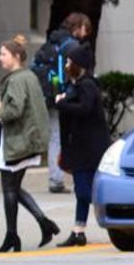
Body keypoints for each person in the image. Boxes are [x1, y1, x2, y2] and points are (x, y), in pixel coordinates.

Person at [0, 36, 60, 252]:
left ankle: (13, 236)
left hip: (18, 142)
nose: (0, 58)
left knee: (9, 190)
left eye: (3, 54)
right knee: (13, 188)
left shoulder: (17, 80)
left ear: (16, 56)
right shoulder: (28, 76)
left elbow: (15, 110)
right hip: (27, 141)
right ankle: (44, 224)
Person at [53, 44, 109, 248]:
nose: (67, 65)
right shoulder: (76, 85)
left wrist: (61, 103)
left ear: (78, 65)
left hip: (88, 149)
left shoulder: (87, 85)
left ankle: (110, 211)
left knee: (83, 191)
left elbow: (84, 109)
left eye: (69, 62)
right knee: (81, 191)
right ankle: (78, 231)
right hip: (81, 148)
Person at [34, 12, 93, 193]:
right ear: (77, 27)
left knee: (54, 135)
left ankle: (55, 178)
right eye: (85, 28)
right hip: (63, 96)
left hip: (46, 94)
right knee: (64, 136)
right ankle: (61, 178)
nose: (86, 33)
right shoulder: (72, 46)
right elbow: (72, 73)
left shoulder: (52, 41)